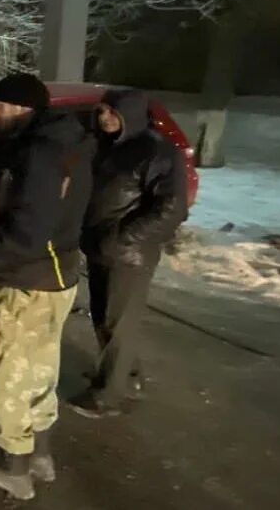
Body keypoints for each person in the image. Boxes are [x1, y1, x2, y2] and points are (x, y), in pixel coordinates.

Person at [0, 73, 94, 501]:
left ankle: (10, 463)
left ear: (19, 107)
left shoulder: (38, 153)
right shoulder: (70, 142)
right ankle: (39, 452)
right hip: (58, 273)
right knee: (40, 364)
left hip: (26, 277)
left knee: (6, 368)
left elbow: (28, 229)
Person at [71, 89, 186, 417]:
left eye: (113, 112)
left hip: (128, 254)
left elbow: (171, 208)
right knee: (106, 318)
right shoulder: (106, 146)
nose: (105, 118)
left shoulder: (156, 151)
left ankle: (108, 395)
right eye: (102, 112)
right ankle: (126, 377)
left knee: (116, 323)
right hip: (101, 246)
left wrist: (124, 239)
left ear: (132, 114)